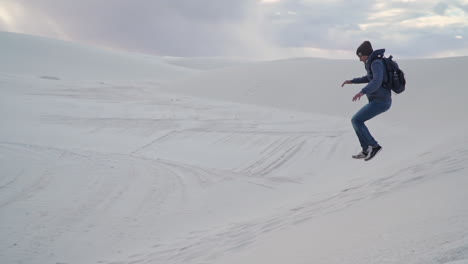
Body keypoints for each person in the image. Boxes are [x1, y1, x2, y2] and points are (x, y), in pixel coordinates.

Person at [341, 40, 392, 161]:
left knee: (356, 120)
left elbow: (376, 81)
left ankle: (374, 146)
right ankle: (366, 149)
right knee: (357, 120)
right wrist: (352, 81)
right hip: (378, 100)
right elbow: (369, 78)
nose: (360, 59)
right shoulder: (372, 63)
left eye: (360, 56)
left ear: (365, 54)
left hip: (381, 101)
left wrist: (362, 92)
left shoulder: (376, 63)